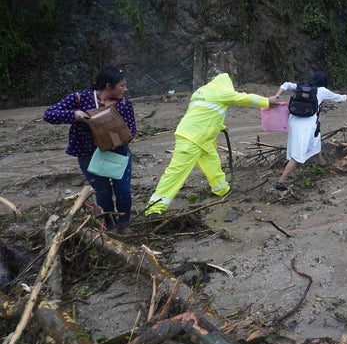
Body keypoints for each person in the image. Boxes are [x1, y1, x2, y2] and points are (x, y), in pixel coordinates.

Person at [145, 73, 278, 217]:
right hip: (193, 138)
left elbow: (205, 113)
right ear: (227, 84)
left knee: (213, 164)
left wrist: (220, 125)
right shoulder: (221, 91)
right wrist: (267, 101)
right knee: (176, 173)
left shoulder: (201, 91)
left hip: (199, 137)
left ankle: (222, 190)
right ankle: (154, 208)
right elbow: (243, 98)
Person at [43, 67, 136, 232]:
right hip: (88, 154)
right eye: (122, 86)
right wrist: (74, 114)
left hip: (118, 153)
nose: (125, 89)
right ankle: (108, 226)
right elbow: (49, 114)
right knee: (103, 192)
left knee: (123, 190)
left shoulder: (124, 103)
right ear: (109, 86)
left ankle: (124, 224)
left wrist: (116, 137)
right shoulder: (80, 99)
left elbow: (131, 130)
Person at [273, 71, 347, 191]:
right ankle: (281, 182)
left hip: (293, 121)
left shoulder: (301, 87)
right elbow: (340, 98)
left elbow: (286, 84)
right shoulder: (322, 91)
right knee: (298, 155)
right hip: (306, 125)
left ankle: (321, 162)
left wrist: (276, 96)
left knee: (316, 139)